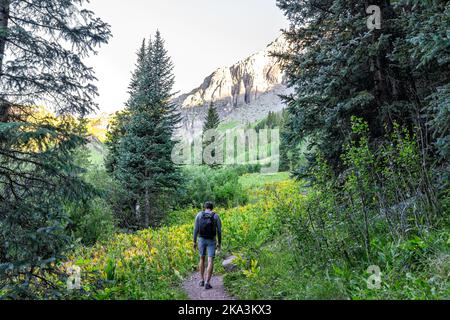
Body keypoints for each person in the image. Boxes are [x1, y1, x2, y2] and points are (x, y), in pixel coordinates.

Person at [193, 201, 222, 290]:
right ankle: (207, 282)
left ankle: (201, 280)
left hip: (201, 239)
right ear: (212, 208)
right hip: (211, 240)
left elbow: (195, 229)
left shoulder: (199, 215)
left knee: (201, 258)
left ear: (204, 207)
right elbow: (219, 231)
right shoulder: (216, 216)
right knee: (210, 260)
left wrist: (194, 241)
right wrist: (219, 243)